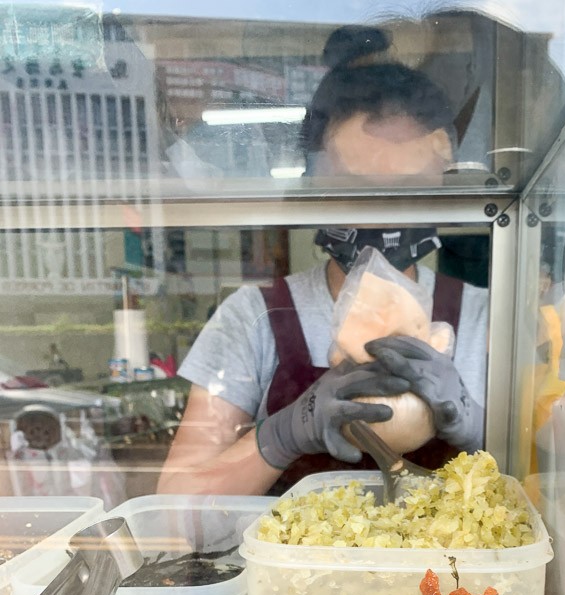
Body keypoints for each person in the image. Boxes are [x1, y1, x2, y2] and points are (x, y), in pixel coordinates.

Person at [158, 26, 488, 496]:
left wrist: (474, 424)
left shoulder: (484, 317)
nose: (383, 214)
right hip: (293, 571)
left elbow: (545, 498)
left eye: (410, 191)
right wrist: (282, 433)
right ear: (315, 188)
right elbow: (174, 515)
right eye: (357, 190)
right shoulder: (254, 318)